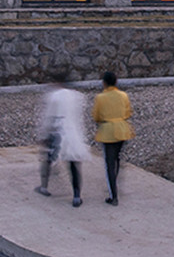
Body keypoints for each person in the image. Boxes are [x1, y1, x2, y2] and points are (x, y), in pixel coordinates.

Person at [35, 75, 91, 205]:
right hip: (74, 132)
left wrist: (43, 134)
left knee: (48, 159)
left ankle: (44, 187)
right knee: (74, 164)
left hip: (57, 131)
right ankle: (76, 195)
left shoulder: (53, 96)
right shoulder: (78, 96)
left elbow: (48, 116)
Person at [91, 72, 135, 205]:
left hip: (108, 131)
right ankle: (115, 183)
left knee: (109, 163)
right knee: (117, 159)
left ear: (104, 83)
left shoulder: (100, 97)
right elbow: (128, 113)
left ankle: (113, 195)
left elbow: (96, 116)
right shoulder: (123, 95)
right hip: (122, 129)